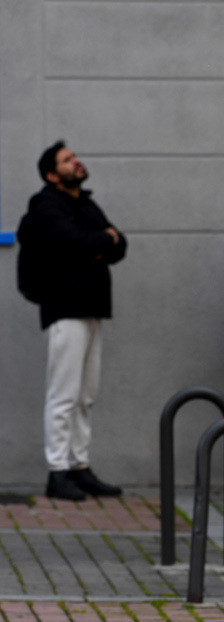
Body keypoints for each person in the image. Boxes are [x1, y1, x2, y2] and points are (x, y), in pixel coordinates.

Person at [22, 141, 127, 501]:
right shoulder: (47, 206)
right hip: (65, 309)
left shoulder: (85, 204)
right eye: (67, 160)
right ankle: (57, 471)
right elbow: (72, 241)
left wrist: (96, 244)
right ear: (52, 174)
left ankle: (80, 466)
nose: (76, 162)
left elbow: (120, 243)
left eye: (74, 157)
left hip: (92, 307)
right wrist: (99, 242)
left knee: (86, 395)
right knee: (63, 394)